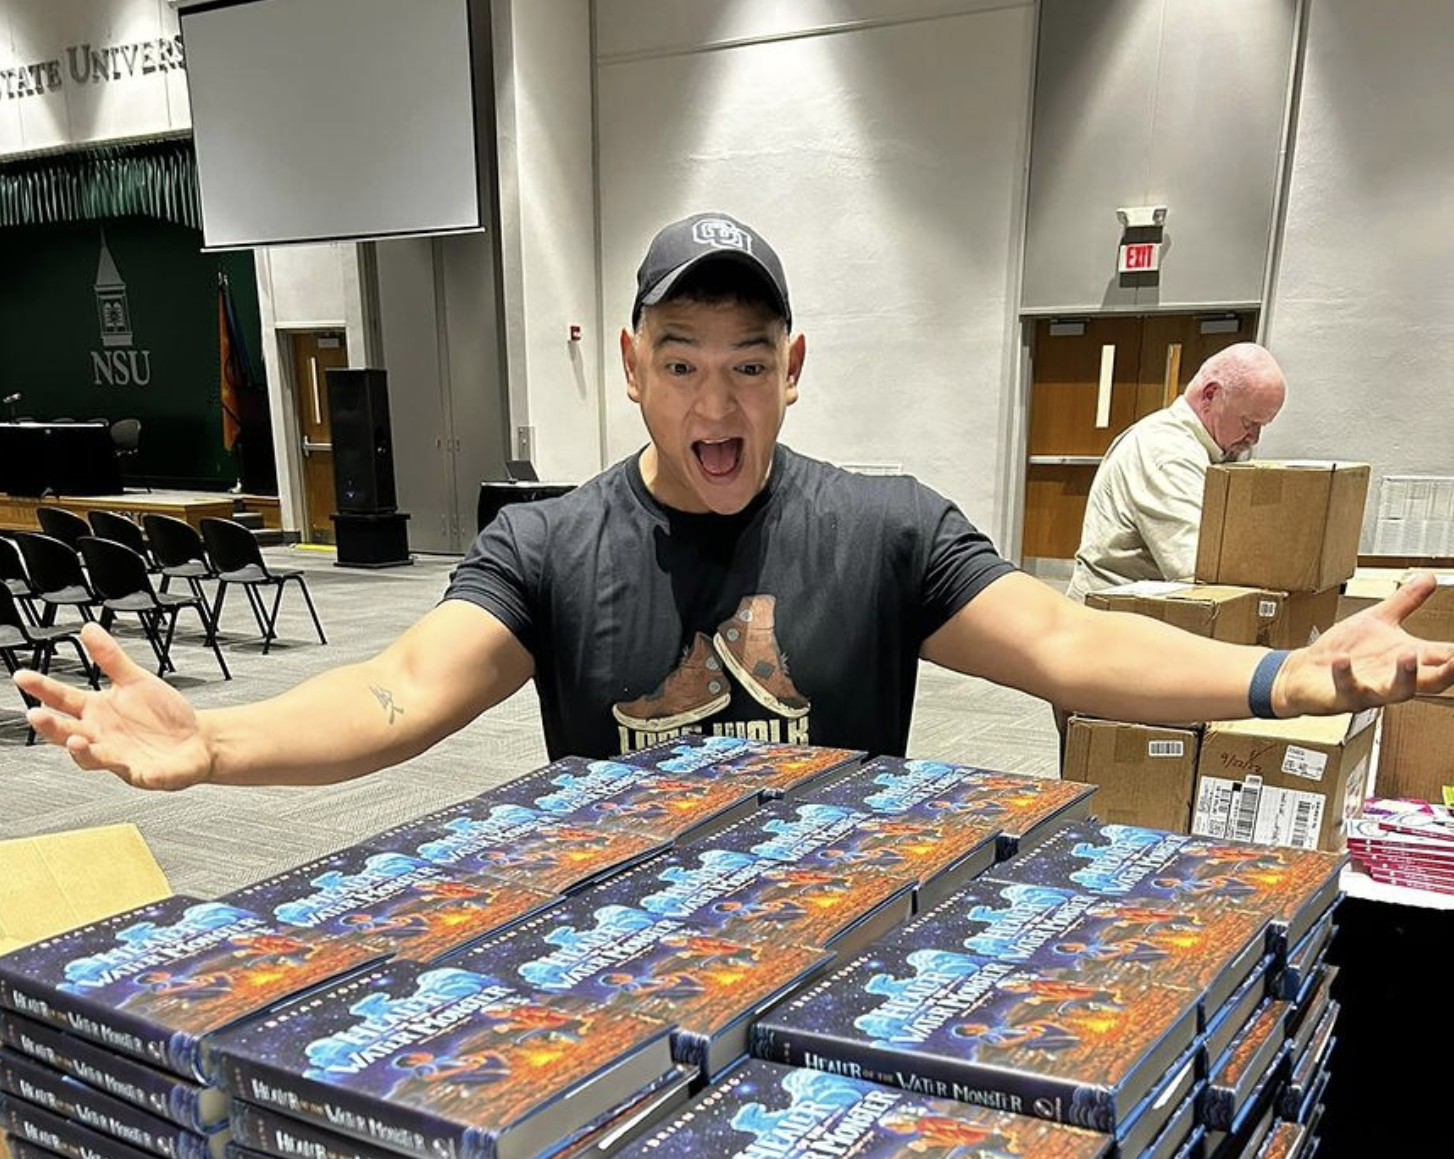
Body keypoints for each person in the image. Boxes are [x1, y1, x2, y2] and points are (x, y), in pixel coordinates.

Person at [15, 212, 1453, 790]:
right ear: (631, 367)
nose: (719, 400)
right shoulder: (547, 545)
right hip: (622, 976)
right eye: (685, 361)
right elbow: (400, 690)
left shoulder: (882, 528)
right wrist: (220, 740)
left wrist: (1287, 671)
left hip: (841, 970)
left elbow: (1071, 645)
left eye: (750, 362)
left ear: (794, 370)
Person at [1066, 343, 1287, 604]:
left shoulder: (1200, 450)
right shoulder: (1167, 453)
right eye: (1249, 423)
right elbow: (1198, 572)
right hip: (1112, 625)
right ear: (1210, 394)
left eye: (1262, 426)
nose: (1254, 438)